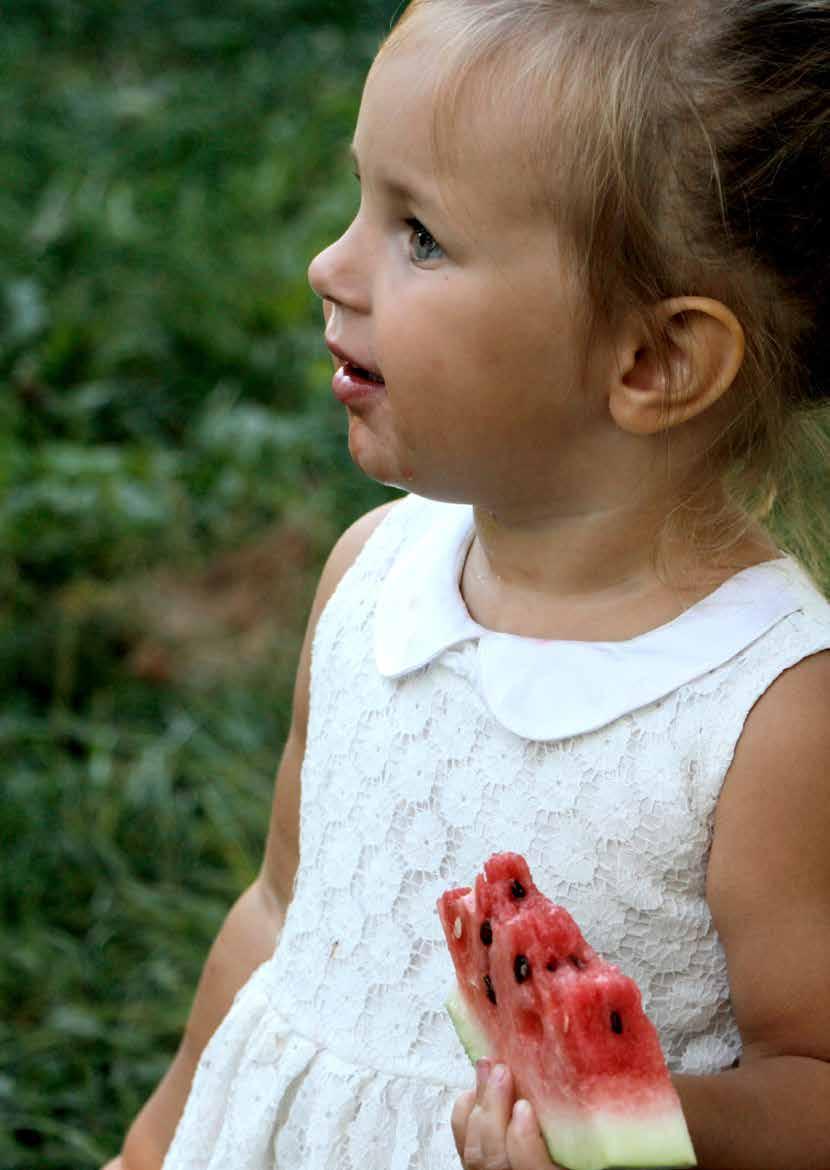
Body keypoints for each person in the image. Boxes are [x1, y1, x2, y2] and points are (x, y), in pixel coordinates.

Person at [104, 1, 830, 1167]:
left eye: (420, 237)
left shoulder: (769, 710)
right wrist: (153, 1147)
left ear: (651, 361)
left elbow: (814, 1083)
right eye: (362, 202)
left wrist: (623, 1124)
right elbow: (279, 917)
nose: (328, 265)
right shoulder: (371, 576)